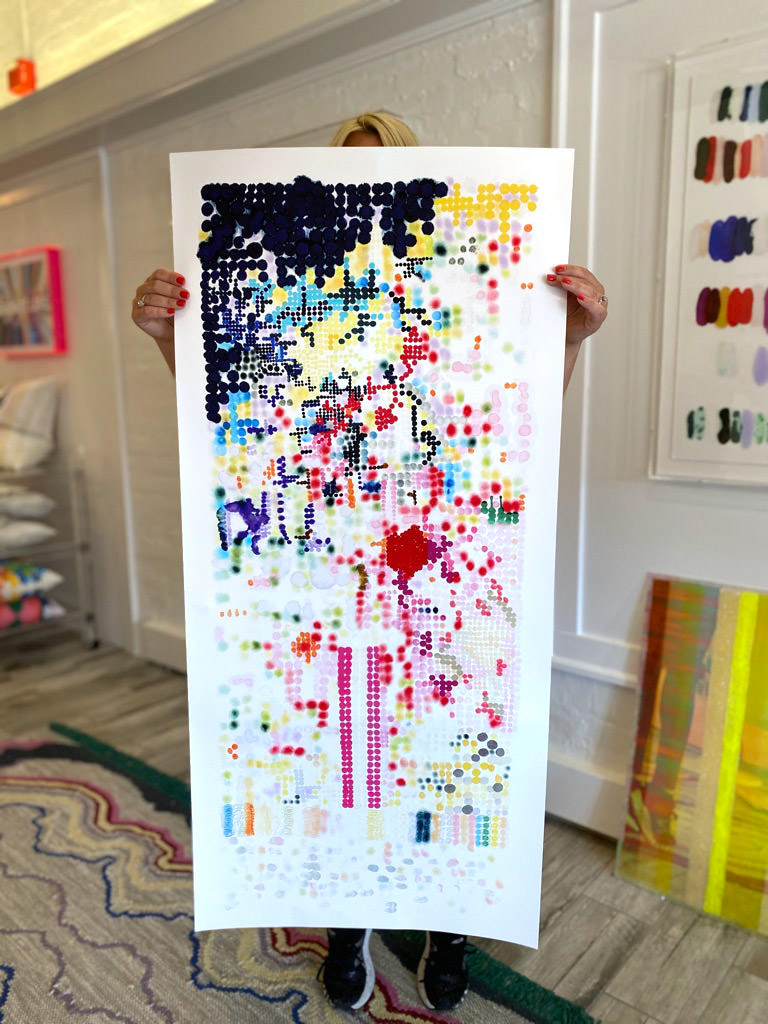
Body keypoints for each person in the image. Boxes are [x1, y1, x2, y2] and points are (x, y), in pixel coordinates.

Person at [132, 111, 608, 1013]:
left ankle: (449, 920)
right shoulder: (306, 303)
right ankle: (350, 913)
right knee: (343, 746)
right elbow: (237, 428)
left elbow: (516, 429)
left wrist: (568, 337)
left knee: (438, 740)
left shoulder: (461, 297)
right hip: (330, 567)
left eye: (383, 176)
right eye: (347, 179)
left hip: (439, 564)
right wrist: (172, 337)